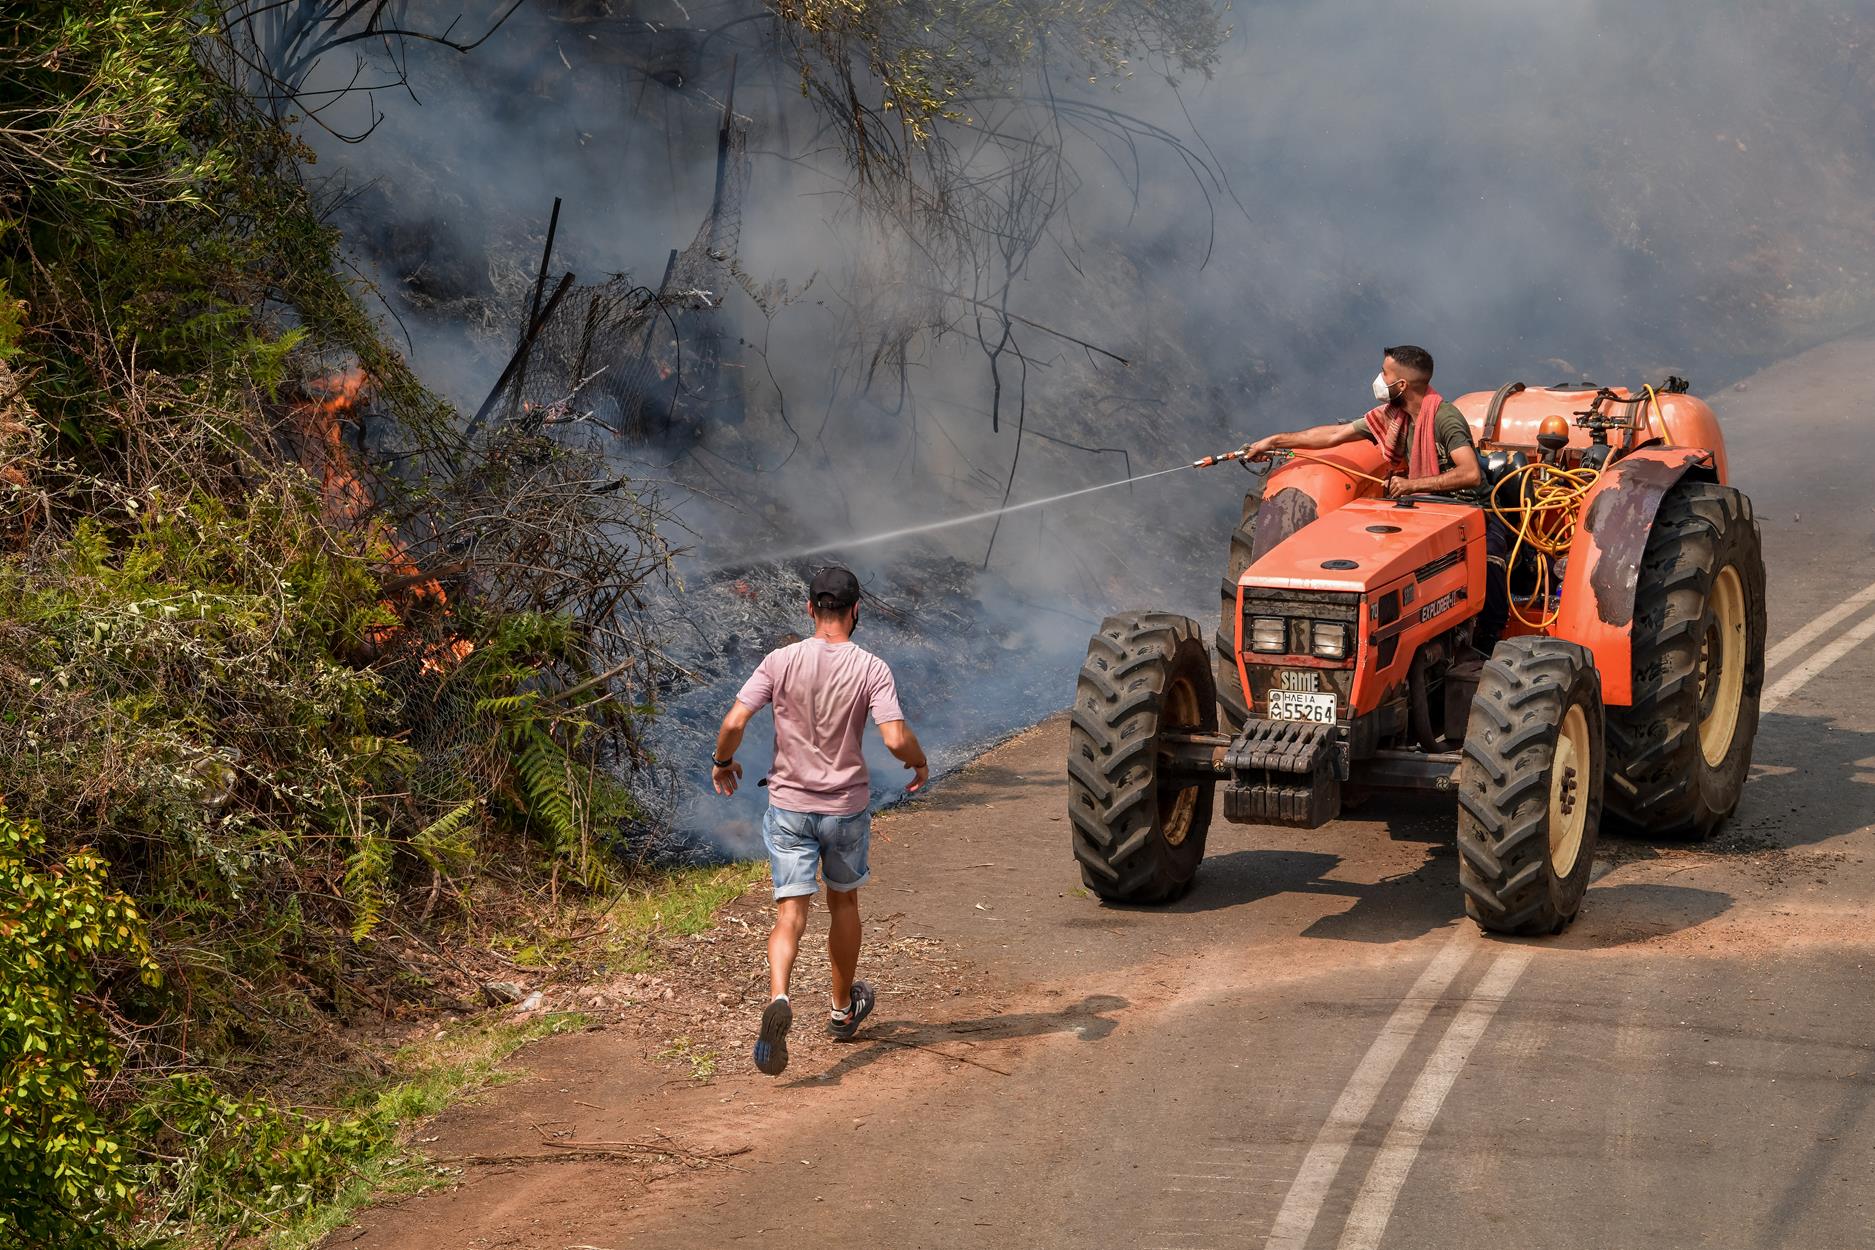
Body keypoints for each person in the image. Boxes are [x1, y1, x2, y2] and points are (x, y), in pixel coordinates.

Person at [711, 566, 929, 1076]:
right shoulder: (871, 667)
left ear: (810, 609)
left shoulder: (779, 660)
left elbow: (734, 722)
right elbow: (895, 739)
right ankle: (841, 1009)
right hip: (844, 808)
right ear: (856, 611)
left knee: (791, 912)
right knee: (844, 901)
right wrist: (917, 763)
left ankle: (780, 996)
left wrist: (723, 763)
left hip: (789, 805)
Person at [1240, 344, 1511, 655]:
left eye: (1384, 374)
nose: (1379, 380)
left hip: (1470, 510)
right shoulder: (1393, 416)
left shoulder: (1444, 419)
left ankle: (1488, 645)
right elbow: (1333, 436)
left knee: (1488, 562)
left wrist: (1412, 485)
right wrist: (1274, 441)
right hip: (1422, 507)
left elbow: (1470, 474)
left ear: (1402, 385)